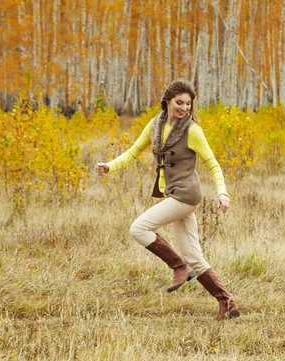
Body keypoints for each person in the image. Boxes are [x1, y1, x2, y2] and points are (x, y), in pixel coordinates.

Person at [96, 79, 240, 320]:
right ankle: (227, 302)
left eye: (188, 104)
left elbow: (212, 164)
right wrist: (109, 166)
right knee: (195, 256)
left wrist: (222, 192)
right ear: (167, 101)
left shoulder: (192, 131)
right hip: (175, 194)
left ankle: (179, 267)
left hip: (187, 196)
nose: (184, 108)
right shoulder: (155, 125)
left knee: (139, 228)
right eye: (179, 102)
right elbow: (133, 153)